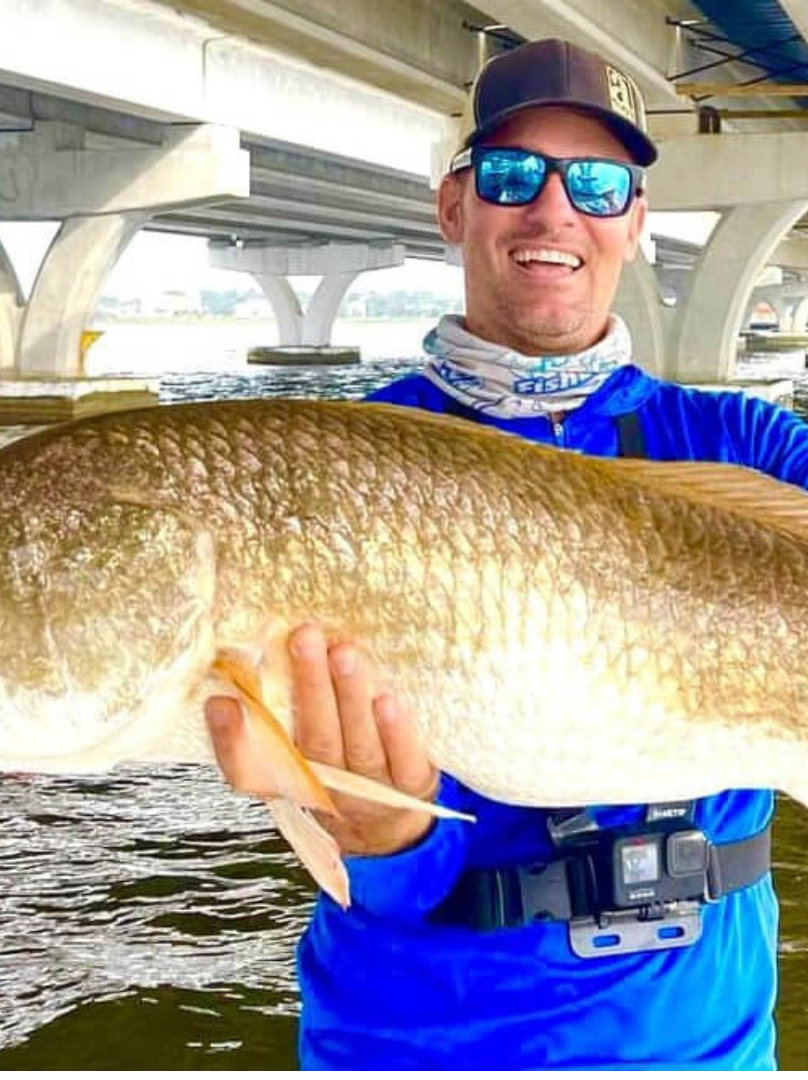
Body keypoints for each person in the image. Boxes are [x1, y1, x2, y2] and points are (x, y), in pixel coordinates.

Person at [207, 37, 808, 1069]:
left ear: (635, 226)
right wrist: (379, 834)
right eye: (513, 174)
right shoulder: (324, 473)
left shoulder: (748, 446)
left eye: (599, 182)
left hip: (698, 1044)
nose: (554, 209)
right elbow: (381, 876)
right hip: (414, 1040)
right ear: (456, 208)